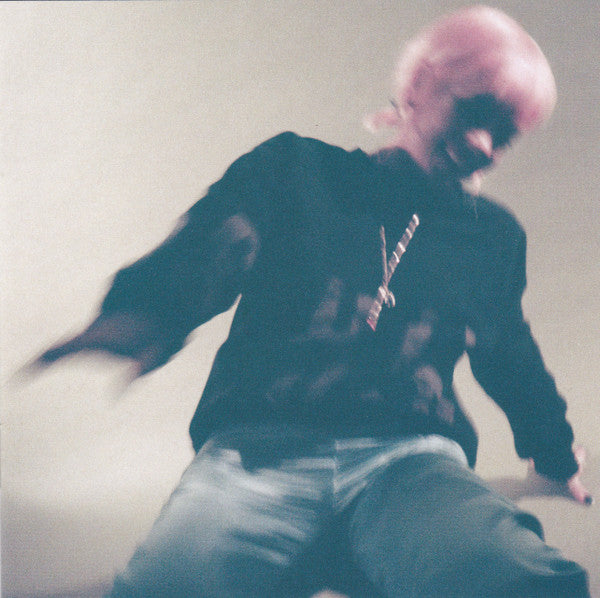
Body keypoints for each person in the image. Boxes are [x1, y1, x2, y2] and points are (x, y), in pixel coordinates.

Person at [34, 5, 592, 597]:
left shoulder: (491, 236)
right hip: (255, 451)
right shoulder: (298, 170)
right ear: (421, 85)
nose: (483, 144)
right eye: (473, 112)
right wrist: (143, 314)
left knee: (522, 579)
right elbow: (217, 241)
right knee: (170, 586)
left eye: (505, 135)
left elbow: (509, 350)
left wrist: (553, 452)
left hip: (410, 461)